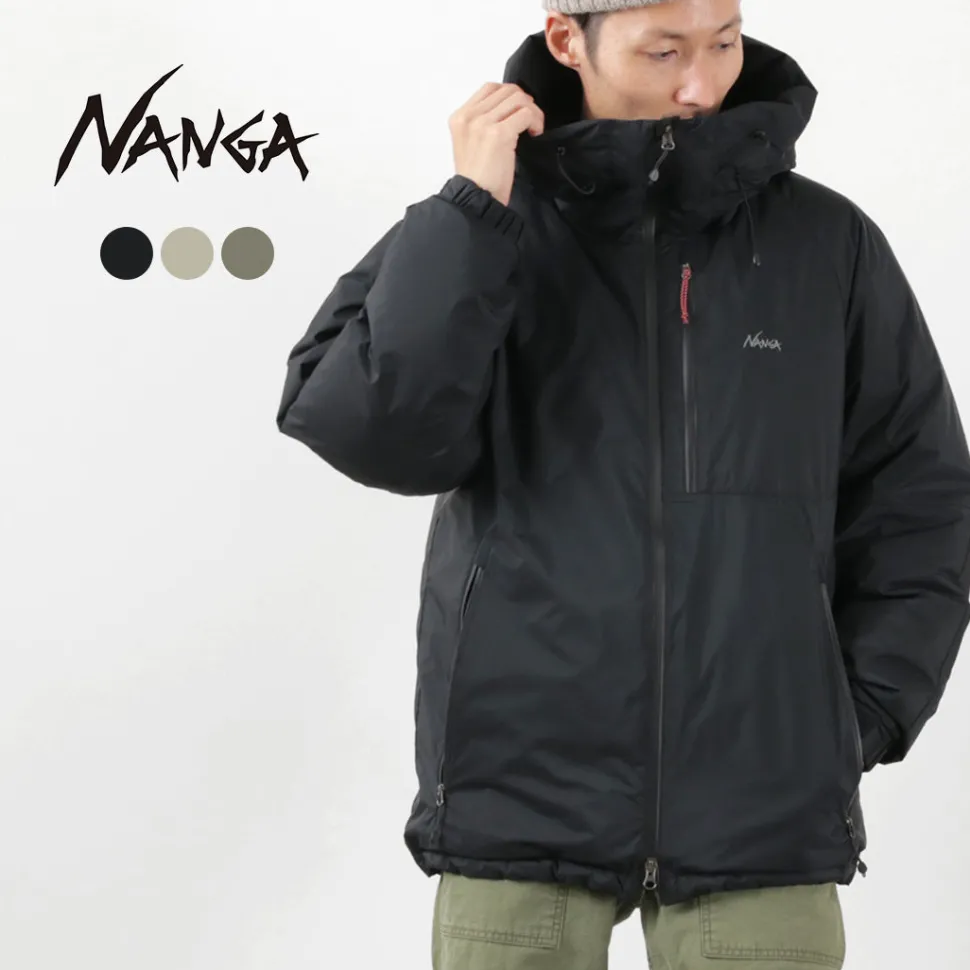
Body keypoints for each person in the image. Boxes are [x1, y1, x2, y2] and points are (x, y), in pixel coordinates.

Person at [276, 1, 970, 966]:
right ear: (569, 40)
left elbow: (920, 497)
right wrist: (471, 210)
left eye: (724, 42)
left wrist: (856, 716)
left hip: (760, 810)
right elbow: (380, 435)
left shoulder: (826, 243)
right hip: (520, 792)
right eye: (665, 50)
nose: (702, 84)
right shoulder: (488, 227)